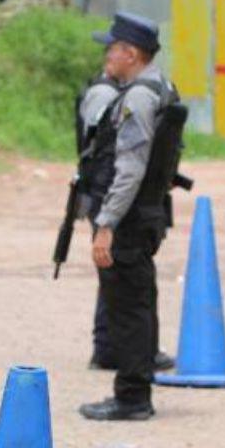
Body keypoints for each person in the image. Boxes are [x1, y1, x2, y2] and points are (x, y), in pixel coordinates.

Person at [76, 12, 186, 422]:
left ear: (131, 54)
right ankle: (135, 388)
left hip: (130, 218)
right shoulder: (162, 87)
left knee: (126, 307)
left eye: (113, 49)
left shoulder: (138, 97)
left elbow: (129, 168)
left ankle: (132, 397)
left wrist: (106, 223)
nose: (107, 55)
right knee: (139, 302)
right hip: (147, 212)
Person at [80, 73, 176, 374]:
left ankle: (115, 354)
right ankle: (122, 357)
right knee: (123, 282)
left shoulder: (136, 93)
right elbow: (122, 165)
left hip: (122, 203)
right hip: (120, 203)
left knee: (119, 281)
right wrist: (107, 219)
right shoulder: (129, 94)